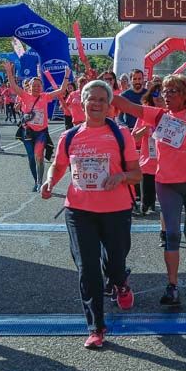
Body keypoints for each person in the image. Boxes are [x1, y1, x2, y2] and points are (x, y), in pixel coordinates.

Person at [110, 58, 186, 306]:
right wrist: (103, 89)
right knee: (171, 234)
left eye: (173, 91)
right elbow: (127, 106)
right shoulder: (158, 115)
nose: (167, 95)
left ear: (185, 95)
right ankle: (172, 285)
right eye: (164, 91)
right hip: (167, 183)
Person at [42, 79, 142, 349]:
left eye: (101, 100)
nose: (96, 104)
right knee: (87, 269)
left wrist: (120, 176)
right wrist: (50, 181)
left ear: (110, 106)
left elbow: (136, 174)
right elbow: (58, 165)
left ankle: (120, 282)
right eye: (91, 99)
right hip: (79, 210)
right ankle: (96, 327)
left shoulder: (122, 134)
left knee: (116, 263)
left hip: (116, 210)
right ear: (82, 102)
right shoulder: (70, 136)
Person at [3, 61, 61, 192]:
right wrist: (8, 72)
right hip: (28, 131)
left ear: (41, 87)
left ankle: (40, 182)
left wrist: (67, 76)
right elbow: (13, 85)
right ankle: (36, 181)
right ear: (29, 87)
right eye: (34, 86)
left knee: (39, 156)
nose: (36, 88)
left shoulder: (45, 96)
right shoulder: (25, 96)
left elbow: (61, 90)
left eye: (38, 86)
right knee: (31, 157)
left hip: (41, 132)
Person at [132, 82, 164, 218]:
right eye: (156, 94)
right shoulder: (145, 113)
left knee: (164, 199)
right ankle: (145, 205)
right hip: (148, 162)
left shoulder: (172, 114)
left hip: (166, 163)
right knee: (146, 201)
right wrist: (145, 128)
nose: (159, 97)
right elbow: (134, 137)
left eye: (162, 93)